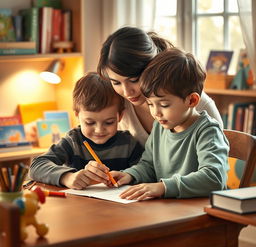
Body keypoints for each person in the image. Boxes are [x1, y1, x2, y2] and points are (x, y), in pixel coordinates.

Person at [108, 48, 229, 201]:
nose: (156, 113)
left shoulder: (208, 131)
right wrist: (131, 175)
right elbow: (149, 165)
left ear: (192, 101)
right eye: (150, 104)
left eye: (164, 105)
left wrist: (163, 187)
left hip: (202, 211)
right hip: (169, 209)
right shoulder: (160, 126)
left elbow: (213, 178)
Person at [97, 26, 223, 147]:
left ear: (153, 66)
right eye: (116, 82)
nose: (127, 92)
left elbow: (216, 162)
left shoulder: (196, 104)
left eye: (134, 80)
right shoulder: (117, 103)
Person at [29, 72, 144, 189]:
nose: (99, 130)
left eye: (109, 122)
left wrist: (129, 174)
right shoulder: (72, 141)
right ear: (77, 115)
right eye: (90, 123)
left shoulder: (129, 143)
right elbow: (36, 166)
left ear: (120, 116)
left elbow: (145, 170)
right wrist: (67, 177)